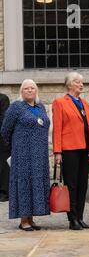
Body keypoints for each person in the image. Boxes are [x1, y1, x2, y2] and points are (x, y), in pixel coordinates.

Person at [1, 79, 50, 231]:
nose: (29, 91)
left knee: (35, 184)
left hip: (39, 155)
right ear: (21, 92)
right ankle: (24, 220)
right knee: (24, 185)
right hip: (22, 154)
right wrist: (17, 146)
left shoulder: (40, 106)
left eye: (32, 88)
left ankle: (31, 218)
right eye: (26, 88)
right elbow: (5, 131)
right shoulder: (16, 107)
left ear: (36, 91)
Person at [52, 72, 89, 230]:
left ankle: (80, 217)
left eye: (82, 82)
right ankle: (72, 220)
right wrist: (57, 152)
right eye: (78, 82)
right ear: (70, 84)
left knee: (83, 185)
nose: (81, 84)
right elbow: (57, 128)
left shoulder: (84, 103)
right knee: (71, 185)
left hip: (85, 149)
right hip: (69, 149)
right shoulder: (60, 102)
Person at [0, 93, 10, 202]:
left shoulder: (3, 98)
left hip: (2, 139)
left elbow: (3, 119)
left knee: (3, 166)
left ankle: (4, 192)